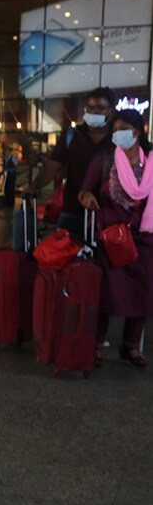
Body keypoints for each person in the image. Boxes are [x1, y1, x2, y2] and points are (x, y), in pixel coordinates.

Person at [78, 108, 152, 368]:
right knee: (107, 292)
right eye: (116, 129)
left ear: (138, 131)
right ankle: (96, 344)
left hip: (143, 239)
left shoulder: (151, 161)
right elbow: (84, 191)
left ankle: (130, 345)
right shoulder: (104, 159)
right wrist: (88, 199)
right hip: (110, 238)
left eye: (124, 129)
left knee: (143, 292)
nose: (119, 134)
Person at [25, 87, 115, 236]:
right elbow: (52, 167)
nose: (94, 112)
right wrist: (34, 187)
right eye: (90, 107)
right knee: (64, 254)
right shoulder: (72, 136)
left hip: (108, 214)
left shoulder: (117, 138)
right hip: (73, 210)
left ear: (111, 111)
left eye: (100, 108)